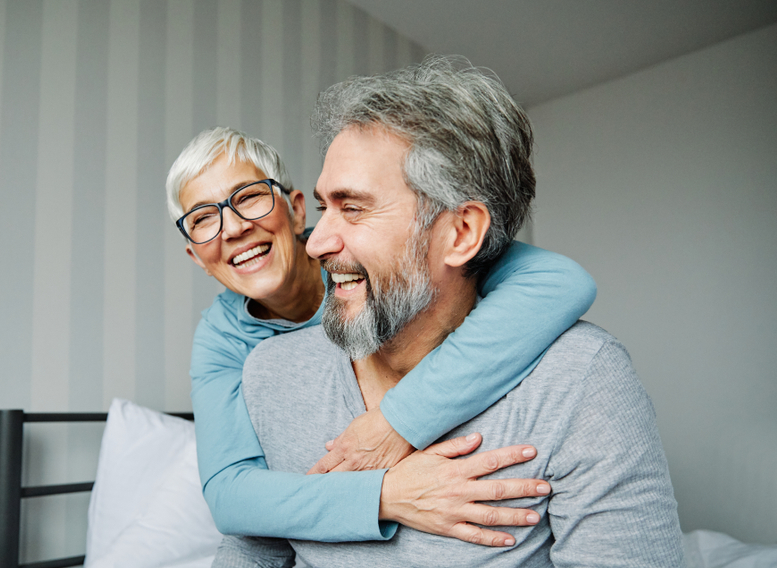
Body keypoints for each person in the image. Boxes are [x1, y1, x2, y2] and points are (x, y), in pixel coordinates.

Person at [105, 57, 702, 568]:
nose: (317, 243)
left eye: (354, 208)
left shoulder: (580, 377)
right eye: (204, 219)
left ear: (462, 235)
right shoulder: (262, 365)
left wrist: (398, 420)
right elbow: (255, 541)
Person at [169, 125, 596, 546]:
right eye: (203, 218)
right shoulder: (222, 339)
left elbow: (560, 282)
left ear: (297, 209)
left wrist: (397, 421)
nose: (232, 228)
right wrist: (387, 495)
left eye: (249, 197)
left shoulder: (375, 255)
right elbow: (229, 495)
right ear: (196, 257)